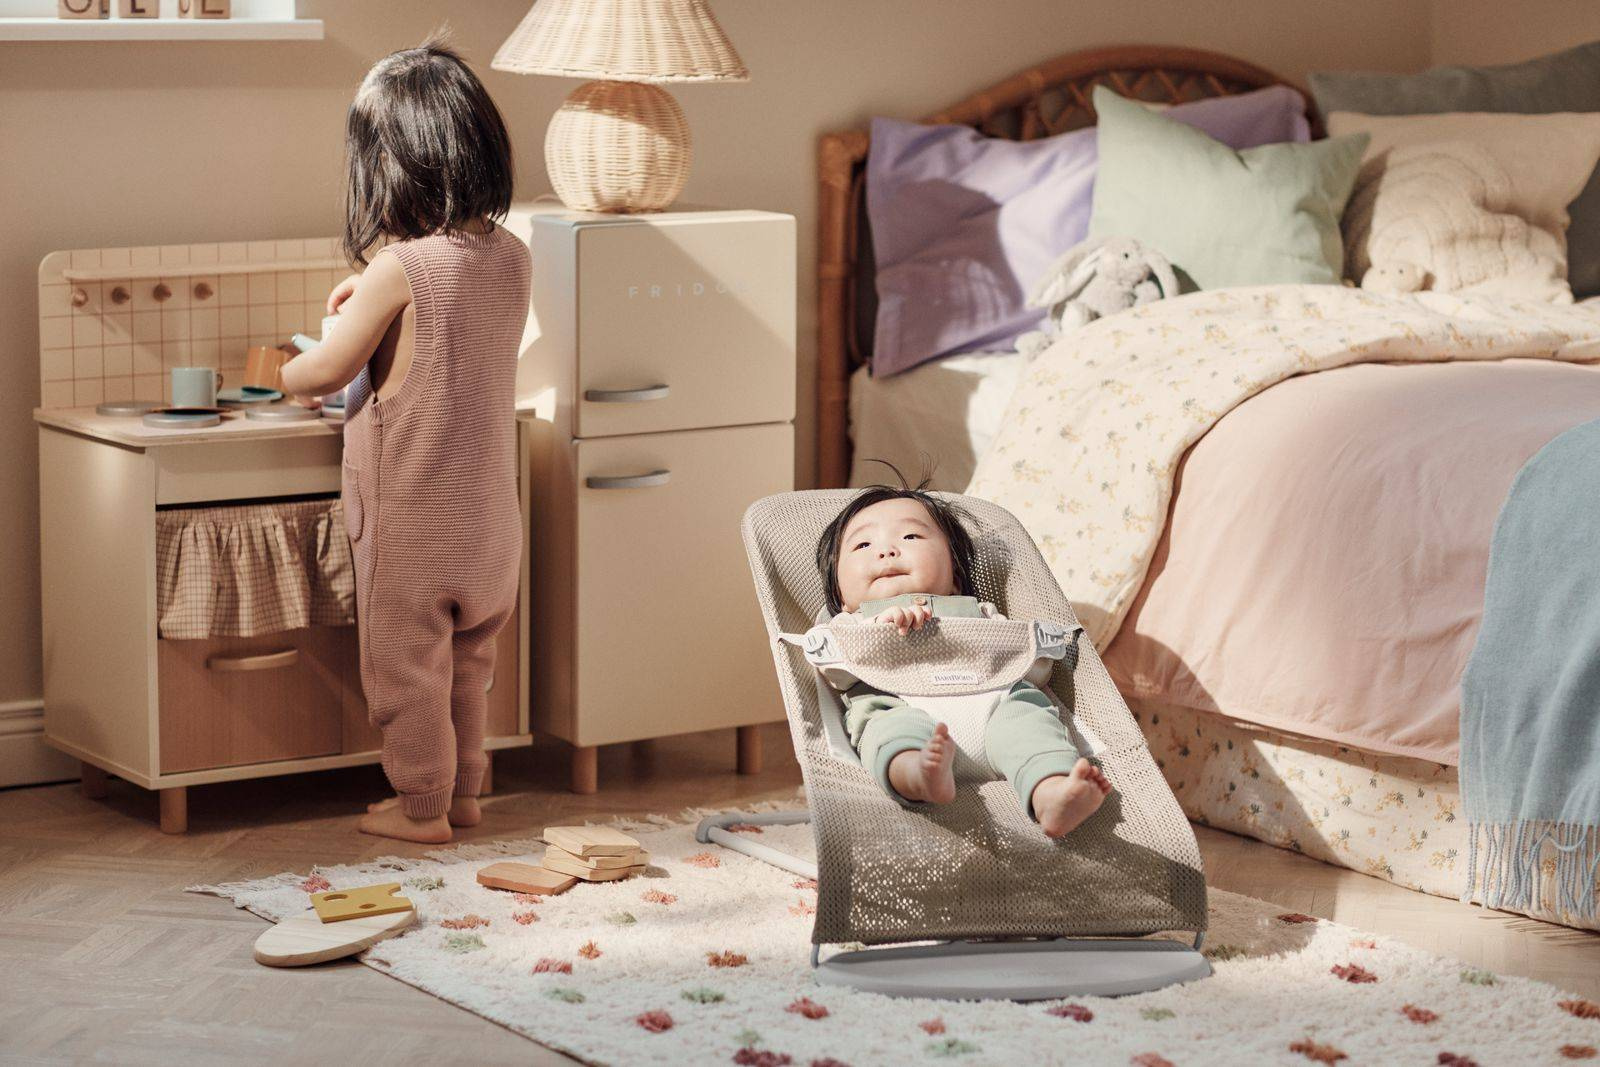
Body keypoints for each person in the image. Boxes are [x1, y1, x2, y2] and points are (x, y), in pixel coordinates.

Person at [281, 38, 530, 843]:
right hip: (491, 523)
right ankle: (465, 794)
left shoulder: (400, 267)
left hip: (413, 524)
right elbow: (450, 324)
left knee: (405, 670)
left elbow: (327, 369)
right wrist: (375, 298)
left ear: (388, 165)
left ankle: (420, 806)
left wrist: (285, 370)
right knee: (468, 667)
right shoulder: (513, 257)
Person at [814, 475, 1112, 837]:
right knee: (886, 727)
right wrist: (878, 629)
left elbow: (1033, 671)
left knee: (1029, 718)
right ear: (840, 595)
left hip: (995, 708)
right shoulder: (849, 624)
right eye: (863, 544)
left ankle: (1051, 793)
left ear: (955, 578)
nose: (887, 551)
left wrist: (1033, 654)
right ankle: (918, 775)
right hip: (902, 708)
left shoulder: (982, 613)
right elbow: (836, 673)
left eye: (911, 537)